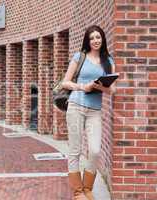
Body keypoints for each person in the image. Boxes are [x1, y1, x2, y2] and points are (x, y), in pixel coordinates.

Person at [61, 25, 116, 200]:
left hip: (95, 110)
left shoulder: (109, 61)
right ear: (88, 40)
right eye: (92, 38)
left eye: (98, 37)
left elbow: (112, 90)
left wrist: (100, 86)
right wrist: (83, 87)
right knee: (75, 150)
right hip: (76, 105)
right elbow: (65, 82)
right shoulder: (80, 56)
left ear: (103, 39)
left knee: (94, 150)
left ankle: (87, 188)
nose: (95, 41)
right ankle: (78, 192)